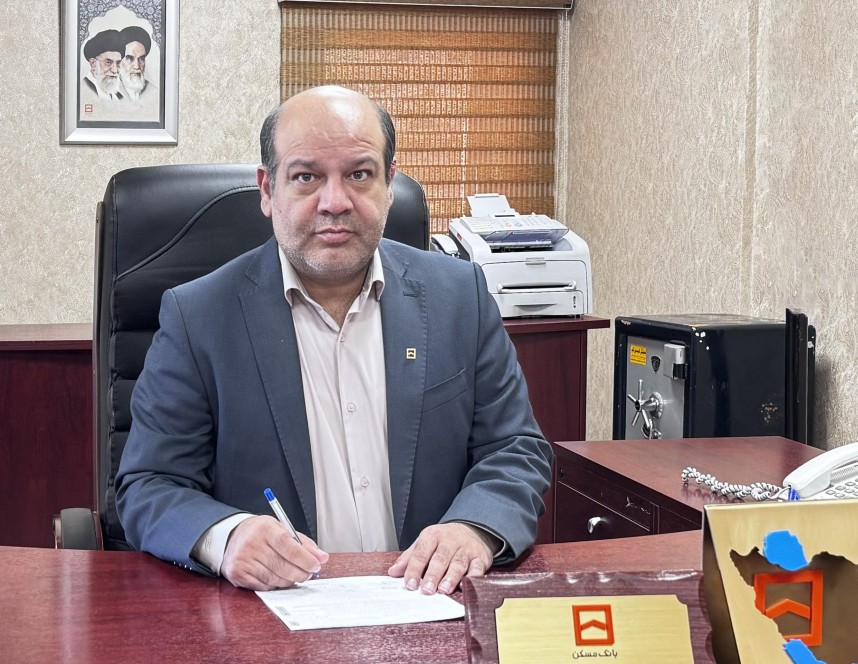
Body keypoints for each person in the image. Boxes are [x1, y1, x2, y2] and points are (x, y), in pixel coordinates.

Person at [115, 85, 552, 595]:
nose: (335, 202)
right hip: (274, 613)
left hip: (429, 601)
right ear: (267, 190)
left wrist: (473, 528)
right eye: (306, 177)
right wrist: (227, 536)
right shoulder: (199, 317)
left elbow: (514, 448)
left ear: (389, 184)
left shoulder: (459, 297)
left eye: (359, 175)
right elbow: (150, 485)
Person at [117, 26, 160, 120]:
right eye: (130, 58)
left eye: (141, 59)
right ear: (119, 62)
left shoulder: (155, 92)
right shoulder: (108, 92)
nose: (137, 66)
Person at [80, 30, 125, 108]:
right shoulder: (82, 91)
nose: (114, 70)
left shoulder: (119, 97)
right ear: (93, 63)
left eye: (118, 63)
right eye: (108, 63)